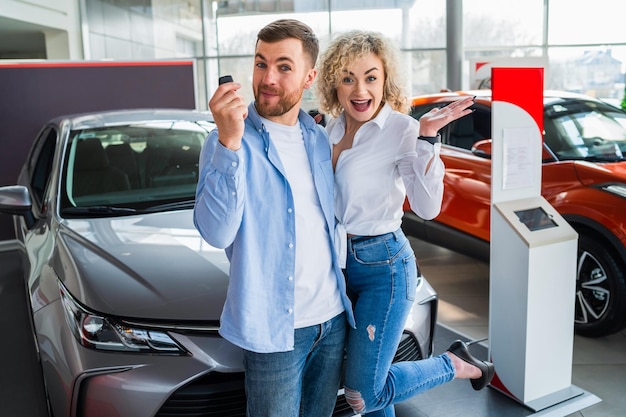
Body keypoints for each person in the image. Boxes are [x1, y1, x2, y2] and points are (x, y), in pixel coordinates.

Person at [315, 30, 495, 416]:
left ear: (386, 80)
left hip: (383, 267)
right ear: (334, 82)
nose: (359, 89)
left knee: (361, 392)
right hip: (334, 265)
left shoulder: (402, 130)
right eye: (348, 78)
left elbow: (428, 208)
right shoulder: (326, 129)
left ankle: (455, 364)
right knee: (372, 385)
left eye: (370, 77)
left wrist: (428, 138)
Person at [193, 19, 355, 417]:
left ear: (309, 77)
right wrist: (230, 142)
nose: (267, 78)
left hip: (332, 319)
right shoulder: (226, 140)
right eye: (260, 63)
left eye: (284, 67)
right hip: (275, 332)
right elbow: (216, 232)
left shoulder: (318, 138)